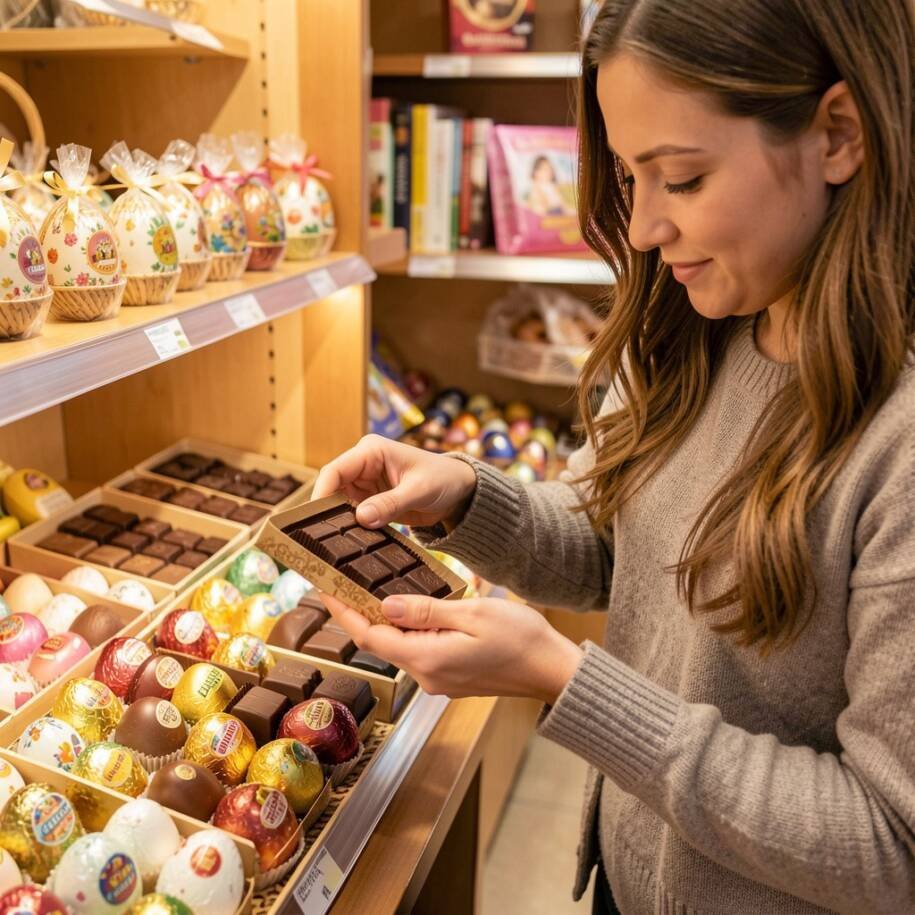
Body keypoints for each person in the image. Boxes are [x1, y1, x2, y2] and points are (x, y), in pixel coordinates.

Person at [313, 0, 915, 911]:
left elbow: (891, 844)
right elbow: (615, 545)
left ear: (837, 134)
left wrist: (568, 683)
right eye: (631, 178)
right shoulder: (692, 330)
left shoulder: (895, 439)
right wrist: (467, 498)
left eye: (682, 178)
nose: (640, 230)